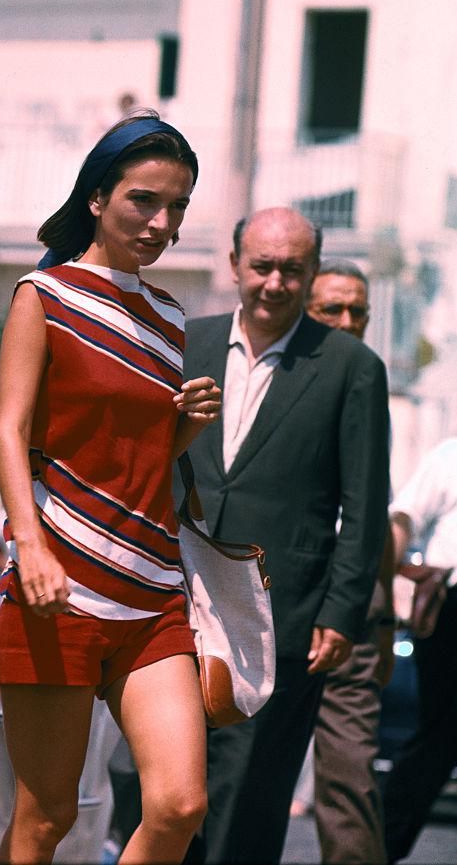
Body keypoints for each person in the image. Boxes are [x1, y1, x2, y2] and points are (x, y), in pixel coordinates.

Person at [0, 112, 222, 865]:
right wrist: (29, 545)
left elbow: (142, 456)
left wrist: (183, 423)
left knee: (179, 803)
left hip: (152, 591)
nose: (162, 223)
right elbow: (9, 428)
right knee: (45, 818)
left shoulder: (167, 315)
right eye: (144, 201)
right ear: (97, 198)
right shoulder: (44, 294)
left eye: (177, 207)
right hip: (56, 583)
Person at [182, 208, 391, 864]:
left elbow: (364, 501)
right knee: (156, 777)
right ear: (235, 266)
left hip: (278, 607)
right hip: (175, 592)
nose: (273, 282)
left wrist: (341, 611)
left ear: (311, 272)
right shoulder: (186, 342)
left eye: (291, 270)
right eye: (262, 266)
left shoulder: (348, 365)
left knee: (247, 786)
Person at [304, 260, 396, 863]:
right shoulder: (285, 375)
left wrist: (383, 619)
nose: (346, 321)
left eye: (357, 311)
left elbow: (375, 513)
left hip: (354, 611)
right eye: (331, 309)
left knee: (350, 777)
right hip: (276, 597)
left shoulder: (367, 377)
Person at [382, 437, 457, 863]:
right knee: (440, 734)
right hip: (451, 605)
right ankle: (379, 847)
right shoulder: (450, 456)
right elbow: (405, 515)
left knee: (440, 736)